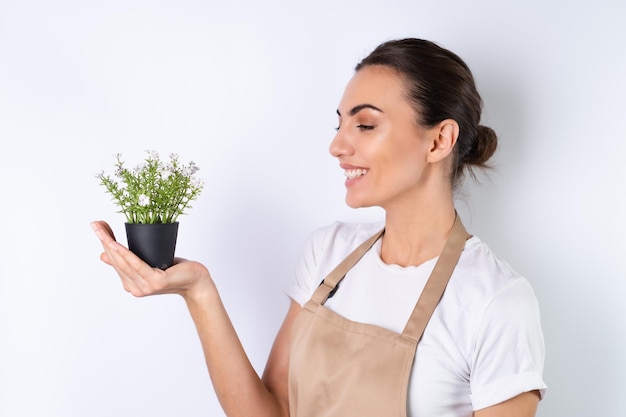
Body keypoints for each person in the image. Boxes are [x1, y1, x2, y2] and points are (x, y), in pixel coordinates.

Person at [91, 38, 547, 417]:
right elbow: (274, 411)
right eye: (340, 124)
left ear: (439, 140)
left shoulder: (494, 300)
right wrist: (199, 292)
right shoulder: (329, 253)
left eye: (365, 124)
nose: (337, 145)